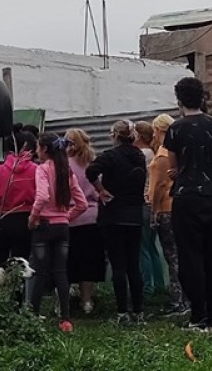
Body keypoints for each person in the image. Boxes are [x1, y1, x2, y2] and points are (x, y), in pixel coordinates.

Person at [164, 77, 212, 333]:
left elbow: (173, 167)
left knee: (191, 258)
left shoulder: (175, 129)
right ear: (203, 97)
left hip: (186, 198)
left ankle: (198, 317)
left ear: (179, 99)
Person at [86, 120, 147, 326]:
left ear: (115, 136)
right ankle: (138, 311)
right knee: (133, 266)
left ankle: (122, 312)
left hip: (112, 215)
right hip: (135, 216)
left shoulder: (110, 156)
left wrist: (100, 190)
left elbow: (90, 171)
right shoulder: (139, 156)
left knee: (118, 266)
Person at [29, 132, 88, 332]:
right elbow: (82, 204)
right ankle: (65, 319)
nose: (36, 150)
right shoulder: (67, 172)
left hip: (44, 225)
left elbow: (42, 196)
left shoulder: (42, 169)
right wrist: (66, 217)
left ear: (45, 149)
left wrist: (33, 217)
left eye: (38, 147)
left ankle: (33, 315)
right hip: (63, 228)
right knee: (61, 272)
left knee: (39, 272)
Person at [147, 113, 189, 317]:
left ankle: (177, 301)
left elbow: (158, 187)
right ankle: (186, 298)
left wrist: (153, 211)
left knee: (172, 256)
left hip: (165, 208)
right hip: (180, 206)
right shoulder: (178, 152)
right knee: (180, 255)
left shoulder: (163, 155)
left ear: (159, 130)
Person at [0, 124, 38, 266]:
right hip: (25, 221)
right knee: (22, 265)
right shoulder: (36, 170)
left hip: (1, 221)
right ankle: (19, 288)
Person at [64, 128, 105, 315]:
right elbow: (100, 191)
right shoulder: (92, 164)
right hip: (92, 217)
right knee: (89, 261)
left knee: (69, 261)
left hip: (70, 218)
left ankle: (66, 299)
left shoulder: (64, 165)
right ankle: (86, 300)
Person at [134, 120, 165, 297]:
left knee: (142, 247)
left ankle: (147, 287)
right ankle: (159, 284)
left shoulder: (142, 153)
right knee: (151, 246)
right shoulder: (152, 152)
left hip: (143, 203)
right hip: (152, 205)